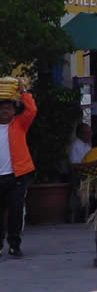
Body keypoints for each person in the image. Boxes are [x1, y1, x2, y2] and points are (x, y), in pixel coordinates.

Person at [0, 78, 37, 257]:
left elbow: (32, 110)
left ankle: (14, 245)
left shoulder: (20, 124)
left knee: (16, 210)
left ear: (14, 111)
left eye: (8, 108)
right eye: (2, 108)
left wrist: (24, 92)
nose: (5, 110)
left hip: (17, 176)